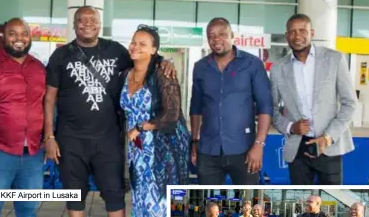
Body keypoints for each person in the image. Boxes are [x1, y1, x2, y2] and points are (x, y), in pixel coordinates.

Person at [43, 6, 176, 217]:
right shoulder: (61, 55)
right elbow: (49, 98)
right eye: (81, 19)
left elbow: (143, 60)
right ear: (74, 24)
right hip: (71, 140)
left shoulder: (116, 51)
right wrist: (49, 136)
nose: (87, 23)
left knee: (114, 195)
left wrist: (164, 61)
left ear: (99, 23)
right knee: (74, 196)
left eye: (92, 19)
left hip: (108, 140)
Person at [0, 18, 46, 216]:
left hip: (33, 153)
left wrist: (49, 138)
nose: (19, 38)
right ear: (4, 37)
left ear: (30, 37)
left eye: (24, 34)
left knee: (28, 209)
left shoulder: (38, 68)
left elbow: (46, 105)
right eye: (13, 33)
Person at [270, 14, 356, 185]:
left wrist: (328, 137)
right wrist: (290, 126)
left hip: (329, 145)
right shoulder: (278, 68)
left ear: (312, 33)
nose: (297, 36)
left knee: (330, 200)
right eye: (292, 32)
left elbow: (350, 103)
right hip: (297, 147)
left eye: (302, 30)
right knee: (301, 202)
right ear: (287, 36)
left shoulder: (335, 59)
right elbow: (271, 108)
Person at [189, 17, 272, 185]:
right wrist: (195, 141)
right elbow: (196, 107)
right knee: (207, 204)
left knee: (248, 205)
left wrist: (259, 145)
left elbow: (265, 106)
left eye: (222, 34)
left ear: (232, 35)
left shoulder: (252, 64)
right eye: (211, 36)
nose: (216, 40)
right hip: (208, 151)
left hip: (245, 150)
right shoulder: (200, 67)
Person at [120, 25, 190, 216]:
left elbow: (172, 115)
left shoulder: (162, 73)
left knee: (160, 203)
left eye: (143, 44)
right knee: (139, 199)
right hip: (137, 150)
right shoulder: (125, 73)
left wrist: (141, 127)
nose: (135, 46)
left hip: (162, 149)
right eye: (134, 42)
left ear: (154, 49)